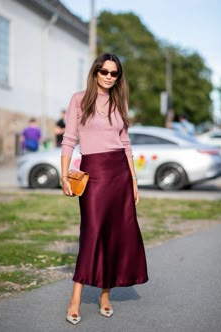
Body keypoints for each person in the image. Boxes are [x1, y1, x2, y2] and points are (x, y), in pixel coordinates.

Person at [61, 53, 148, 325]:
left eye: (115, 73)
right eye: (105, 72)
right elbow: (69, 139)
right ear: (95, 72)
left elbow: (125, 143)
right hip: (94, 174)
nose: (109, 77)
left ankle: (106, 294)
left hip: (120, 174)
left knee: (116, 234)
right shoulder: (79, 99)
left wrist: (134, 181)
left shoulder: (118, 102)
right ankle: (75, 298)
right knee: (92, 232)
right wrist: (64, 175)